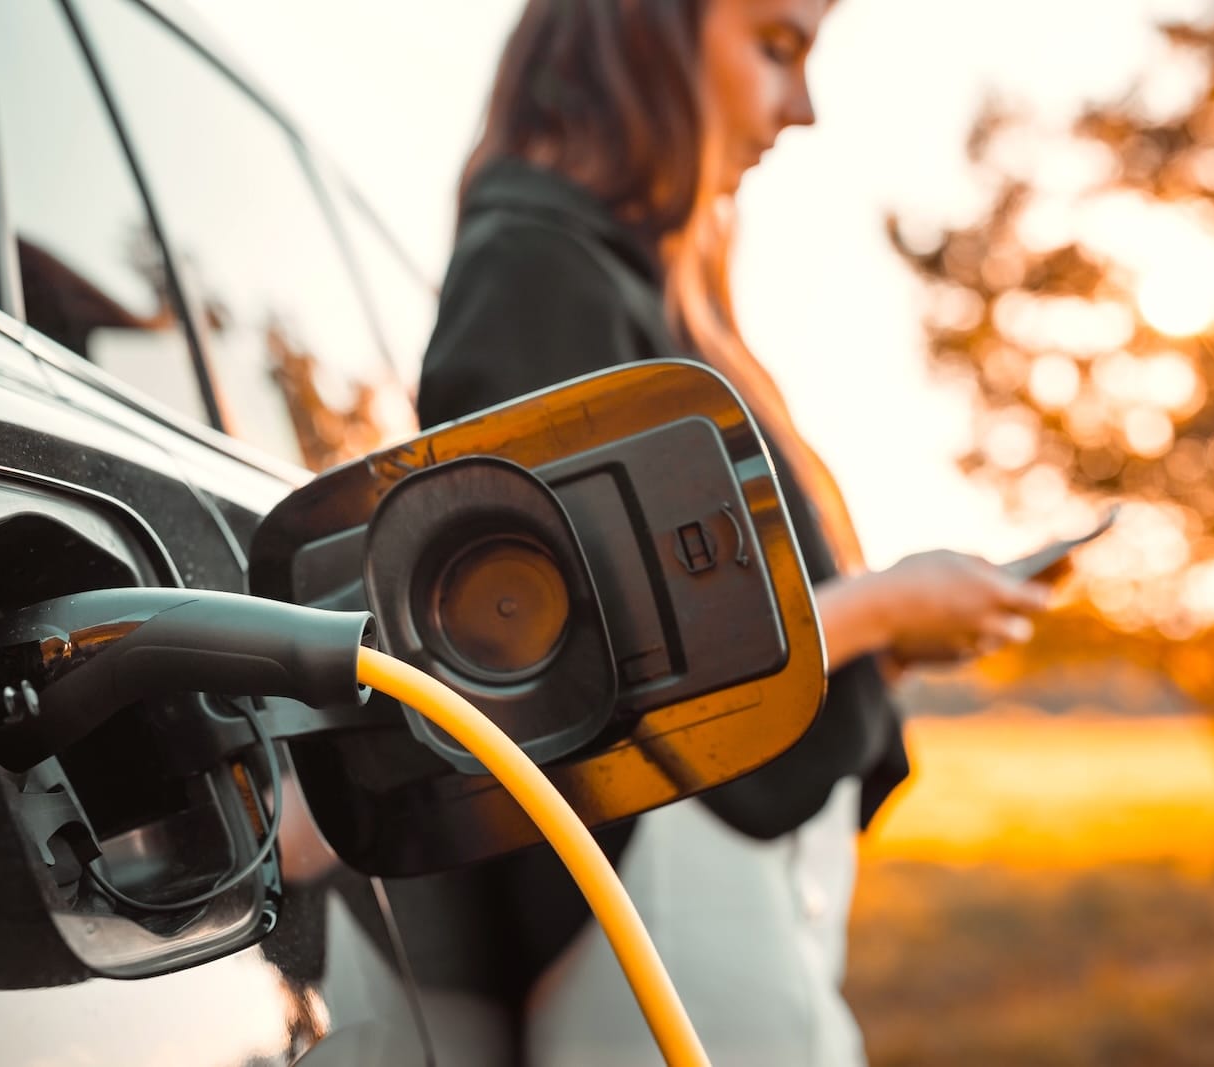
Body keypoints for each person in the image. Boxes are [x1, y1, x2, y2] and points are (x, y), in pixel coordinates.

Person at [415, 1, 1052, 1063]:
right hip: (658, 892)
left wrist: (885, 627)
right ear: (642, 32)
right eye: (775, 46)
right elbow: (580, 651)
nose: (800, 107)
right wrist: (884, 604)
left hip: (712, 879)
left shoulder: (637, 277)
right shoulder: (538, 268)